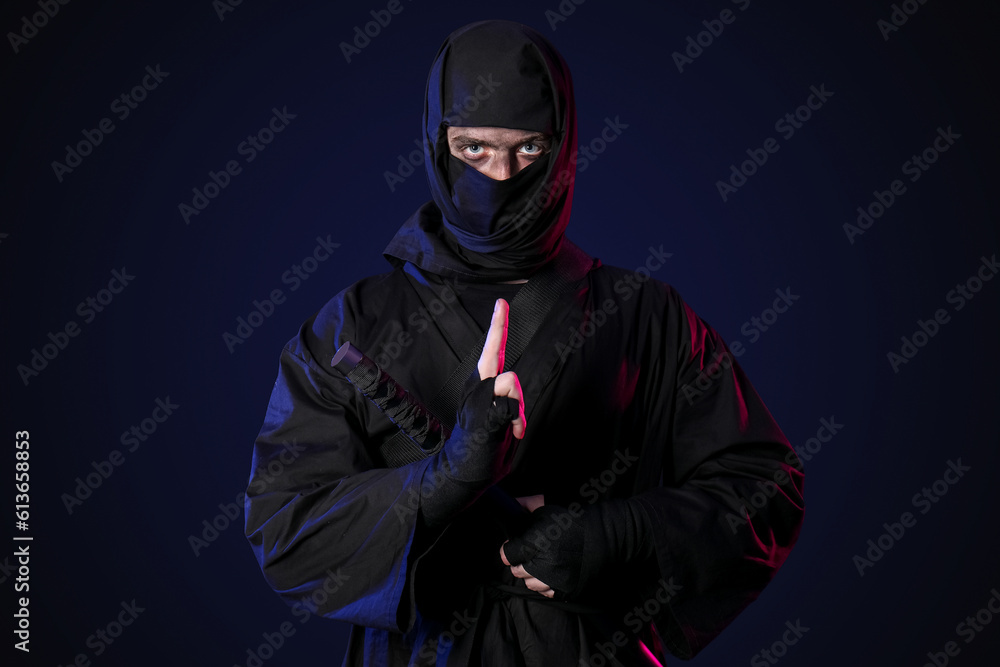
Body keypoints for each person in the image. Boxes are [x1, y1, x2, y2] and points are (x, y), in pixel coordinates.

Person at [245, 19, 804, 666]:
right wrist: (444, 480)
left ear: (564, 147)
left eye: (529, 149)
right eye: (474, 149)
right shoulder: (354, 325)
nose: (503, 176)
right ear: (435, 142)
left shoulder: (647, 315)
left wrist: (618, 535)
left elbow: (767, 491)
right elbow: (284, 530)